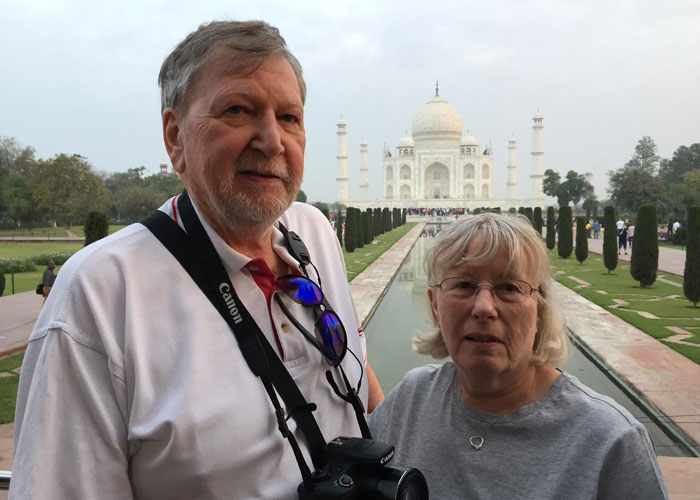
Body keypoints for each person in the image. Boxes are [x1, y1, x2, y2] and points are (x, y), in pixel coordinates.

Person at [11, 20, 382, 499]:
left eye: (289, 117)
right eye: (237, 110)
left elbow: (355, 366)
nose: (272, 141)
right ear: (175, 136)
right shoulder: (100, 295)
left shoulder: (313, 233)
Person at [368, 213, 668, 499]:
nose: (484, 307)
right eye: (463, 285)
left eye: (509, 287)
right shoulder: (412, 400)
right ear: (435, 305)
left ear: (540, 308)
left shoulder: (608, 440)